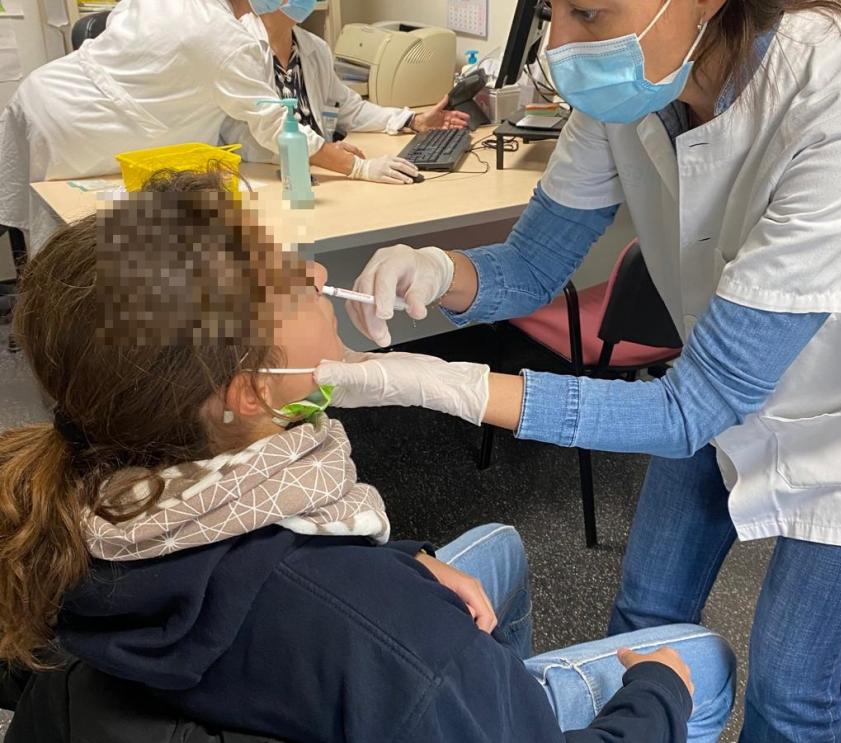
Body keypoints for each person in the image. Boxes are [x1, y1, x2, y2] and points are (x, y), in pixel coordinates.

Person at [316, 2, 841, 741]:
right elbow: (533, 263)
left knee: (791, 681)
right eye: (552, 12)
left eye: (588, 13)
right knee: (642, 617)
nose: (558, 49)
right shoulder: (637, 90)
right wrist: (437, 271)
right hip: (714, 371)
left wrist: (437, 383)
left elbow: (692, 407)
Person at [0, 169, 736, 742]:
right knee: (702, 662)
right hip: (394, 669)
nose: (319, 275)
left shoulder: (92, 495)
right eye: (292, 280)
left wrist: (402, 558)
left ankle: (495, 692)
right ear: (253, 390)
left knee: (502, 549)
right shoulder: (387, 635)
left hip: (309, 659)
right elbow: (370, 631)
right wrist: (656, 696)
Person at [0, 0, 361, 254]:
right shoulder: (224, 39)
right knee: (74, 250)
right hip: (73, 126)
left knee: (77, 246)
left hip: (48, 96)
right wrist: (357, 167)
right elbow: (272, 121)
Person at [220, 1, 470, 185]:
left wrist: (413, 120)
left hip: (317, 173)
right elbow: (268, 130)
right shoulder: (238, 48)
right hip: (263, 179)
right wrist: (357, 167)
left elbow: (350, 108)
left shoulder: (313, 48)